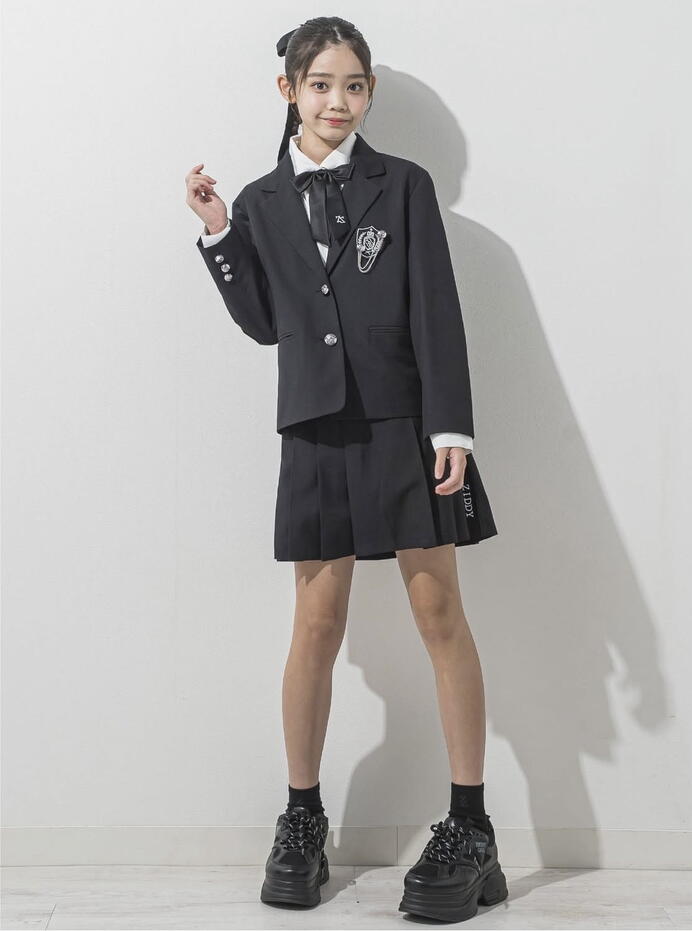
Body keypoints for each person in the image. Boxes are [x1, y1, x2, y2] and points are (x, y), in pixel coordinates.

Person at [184, 15, 508, 922]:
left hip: (406, 426)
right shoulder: (259, 200)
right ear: (288, 90)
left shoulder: (403, 185)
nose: (338, 101)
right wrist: (220, 233)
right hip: (315, 430)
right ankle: (301, 817)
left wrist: (451, 427)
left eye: (354, 85)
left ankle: (471, 823)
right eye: (321, 84)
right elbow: (263, 322)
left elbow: (436, 307)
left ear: (369, 93)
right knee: (316, 623)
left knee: (438, 611)